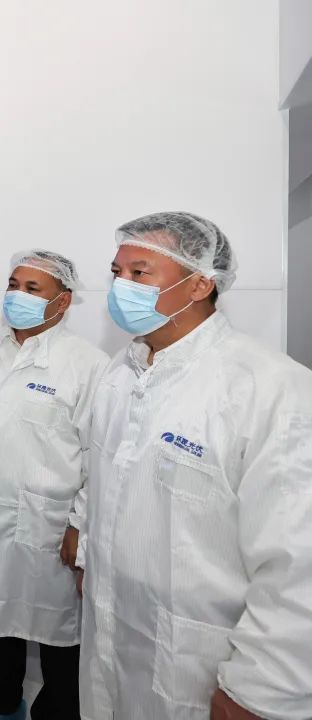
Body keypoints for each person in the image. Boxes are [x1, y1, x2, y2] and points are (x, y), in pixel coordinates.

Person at [80, 212, 312, 720]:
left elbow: (298, 565)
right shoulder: (121, 371)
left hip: (197, 660)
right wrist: (86, 555)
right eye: (117, 273)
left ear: (200, 283)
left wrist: (261, 690)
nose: (120, 286)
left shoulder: (271, 389)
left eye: (139, 273)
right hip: (112, 625)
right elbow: (103, 480)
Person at [0, 250, 109, 720]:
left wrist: (79, 523)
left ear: (63, 301)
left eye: (33, 288)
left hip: (50, 522)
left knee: (59, 629)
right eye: (14, 284)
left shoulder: (87, 365)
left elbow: (97, 454)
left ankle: (58, 711)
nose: (18, 295)